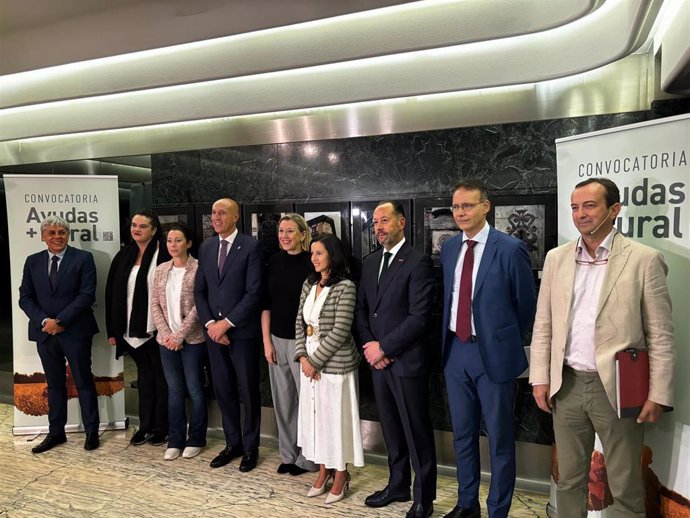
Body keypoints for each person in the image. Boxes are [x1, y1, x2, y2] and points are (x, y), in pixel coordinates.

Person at [529, 178, 675, 518]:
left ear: (614, 209)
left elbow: (661, 335)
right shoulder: (556, 258)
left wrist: (659, 394)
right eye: (576, 207)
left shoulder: (644, 259)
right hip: (567, 385)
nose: (581, 214)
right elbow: (544, 324)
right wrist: (539, 377)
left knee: (625, 486)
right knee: (568, 480)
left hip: (618, 388)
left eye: (590, 205)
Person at [440, 179, 536, 518]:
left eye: (468, 205)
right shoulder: (450, 248)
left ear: (486, 206)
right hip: (455, 352)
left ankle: (498, 510)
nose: (461, 212)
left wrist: (498, 336)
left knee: (499, 439)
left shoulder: (509, 248)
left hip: (492, 355)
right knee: (462, 436)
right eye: (456, 207)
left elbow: (526, 306)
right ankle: (467, 505)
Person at [355, 201, 437, 518]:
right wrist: (369, 346)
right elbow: (362, 310)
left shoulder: (418, 262)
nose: (378, 227)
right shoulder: (370, 261)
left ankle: (423, 499)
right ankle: (398, 484)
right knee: (390, 428)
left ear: (401, 222)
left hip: (406, 362)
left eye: (384, 220)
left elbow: (419, 317)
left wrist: (384, 348)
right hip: (377, 362)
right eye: (375, 222)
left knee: (416, 432)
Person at [19, 215, 100, 453]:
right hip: (44, 333)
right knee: (54, 385)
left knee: (84, 382)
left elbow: (87, 295)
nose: (57, 237)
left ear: (68, 235)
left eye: (61, 233)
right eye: (52, 233)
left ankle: (91, 432)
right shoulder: (32, 261)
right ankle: (56, 433)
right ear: (43, 237)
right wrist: (46, 321)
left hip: (74, 332)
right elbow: (25, 297)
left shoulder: (83, 258)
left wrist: (61, 321)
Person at [194, 198, 263, 472]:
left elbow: (254, 292)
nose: (216, 217)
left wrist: (227, 323)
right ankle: (232, 443)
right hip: (214, 335)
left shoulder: (251, 247)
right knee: (223, 391)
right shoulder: (207, 247)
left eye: (222, 212)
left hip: (242, 334)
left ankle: (250, 447)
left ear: (236, 217)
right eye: (213, 213)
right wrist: (212, 323)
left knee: (248, 391)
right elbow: (200, 291)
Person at [295, 233, 363, 504]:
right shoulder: (309, 283)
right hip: (309, 363)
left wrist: (314, 362)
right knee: (316, 421)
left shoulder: (345, 286)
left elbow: (341, 330)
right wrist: (302, 356)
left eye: (319, 253)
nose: (314, 258)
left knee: (335, 422)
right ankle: (323, 472)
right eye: (312, 253)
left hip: (335, 367)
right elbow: (299, 322)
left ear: (333, 255)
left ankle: (342, 474)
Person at [105, 209, 170, 446]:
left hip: (158, 328)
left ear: (153, 230)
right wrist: (112, 330)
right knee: (144, 378)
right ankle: (145, 425)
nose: (136, 230)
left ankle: (162, 427)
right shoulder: (124, 256)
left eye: (142, 226)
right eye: (134, 225)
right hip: (129, 329)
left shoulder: (163, 254)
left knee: (162, 379)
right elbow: (111, 292)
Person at [261, 214, 317, 476]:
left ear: (303, 234)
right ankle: (288, 454)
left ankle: (307, 458)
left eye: (290, 231)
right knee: (283, 401)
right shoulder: (273, 261)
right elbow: (265, 305)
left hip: (304, 343)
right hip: (276, 339)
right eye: (281, 231)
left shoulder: (313, 263)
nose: (284, 236)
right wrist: (266, 342)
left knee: (306, 402)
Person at [151, 223, 207, 461]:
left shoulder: (198, 269)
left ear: (189, 243)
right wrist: (166, 335)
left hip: (192, 340)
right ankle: (175, 440)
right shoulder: (161, 269)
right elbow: (154, 304)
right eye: (170, 241)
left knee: (195, 390)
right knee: (174, 391)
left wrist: (179, 336)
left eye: (178, 240)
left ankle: (196, 438)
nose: (173, 245)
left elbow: (198, 306)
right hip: (165, 341)